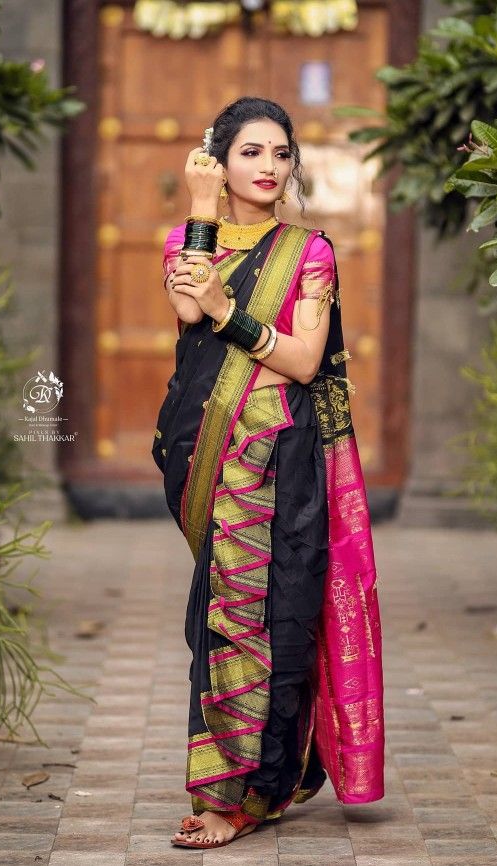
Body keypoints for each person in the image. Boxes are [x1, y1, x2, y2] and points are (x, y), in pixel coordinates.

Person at [151, 97, 384, 851]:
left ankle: (250, 792)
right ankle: (239, 782)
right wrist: (199, 203)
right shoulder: (191, 239)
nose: (269, 168)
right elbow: (189, 308)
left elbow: (305, 360)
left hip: (281, 460)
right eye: (251, 153)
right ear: (222, 159)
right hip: (209, 456)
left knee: (275, 616)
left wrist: (232, 314)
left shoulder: (309, 253)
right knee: (221, 618)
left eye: (281, 154)